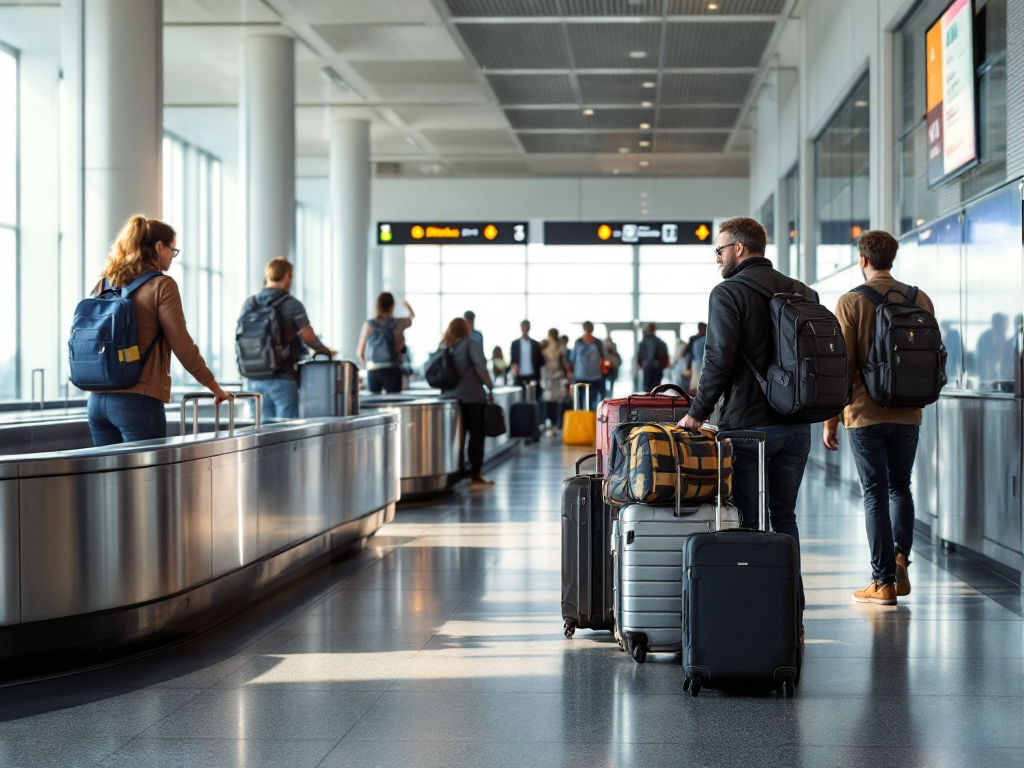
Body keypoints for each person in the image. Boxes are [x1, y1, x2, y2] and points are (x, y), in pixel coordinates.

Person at [678, 217, 815, 630]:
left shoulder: (728, 292)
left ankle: (761, 619)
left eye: (718, 250)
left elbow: (718, 359)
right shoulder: (802, 291)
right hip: (797, 426)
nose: (716, 258)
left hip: (749, 428)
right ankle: (793, 612)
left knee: (751, 523)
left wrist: (697, 413)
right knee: (785, 517)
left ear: (739, 248)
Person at [823, 231, 935, 606]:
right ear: (892, 257)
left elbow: (842, 367)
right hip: (910, 411)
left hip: (865, 412)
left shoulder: (851, 301)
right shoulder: (920, 299)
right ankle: (901, 557)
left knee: (874, 493)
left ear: (863, 260)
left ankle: (883, 580)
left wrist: (830, 421)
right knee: (901, 487)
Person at [87, 215, 232, 445]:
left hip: (97, 401)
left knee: (107, 480)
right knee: (145, 480)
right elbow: (183, 346)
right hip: (138, 401)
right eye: (172, 250)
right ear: (158, 247)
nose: (172, 258)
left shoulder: (105, 283)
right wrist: (214, 387)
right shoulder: (162, 285)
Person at [242, 257, 333, 418]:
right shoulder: (292, 304)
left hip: (251, 378)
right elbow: (308, 336)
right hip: (281, 377)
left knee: (258, 433)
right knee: (286, 434)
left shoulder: (250, 303)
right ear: (288, 276)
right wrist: (322, 349)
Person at [441, 317, 495, 488]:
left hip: (450, 399)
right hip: (472, 397)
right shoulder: (471, 343)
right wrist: (490, 387)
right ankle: (475, 475)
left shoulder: (445, 346)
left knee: (457, 437)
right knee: (476, 436)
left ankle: (456, 474)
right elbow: (481, 367)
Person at [357, 292, 415, 394]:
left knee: (373, 406)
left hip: (374, 371)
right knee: (395, 404)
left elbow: (360, 353)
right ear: (392, 305)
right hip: (392, 370)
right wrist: (405, 304)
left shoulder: (368, 325)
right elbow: (411, 316)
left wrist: (368, 367)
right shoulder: (398, 323)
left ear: (377, 305)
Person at [572, 321, 607, 411]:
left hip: (589, 376)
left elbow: (572, 358)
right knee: (587, 402)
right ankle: (586, 421)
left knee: (589, 402)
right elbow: (605, 357)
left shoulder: (580, 342)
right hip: (588, 376)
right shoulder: (596, 342)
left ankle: (587, 421)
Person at [541, 328, 572, 430]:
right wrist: (568, 375)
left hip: (549, 378)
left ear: (549, 336)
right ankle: (561, 423)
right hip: (561, 378)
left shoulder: (545, 350)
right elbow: (565, 363)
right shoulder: (562, 348)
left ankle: (553, 423)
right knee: (561, 402)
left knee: (551, 402)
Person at [509, 320, 544, 398]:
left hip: (532, 376)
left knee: (533, 398)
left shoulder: (535, 344)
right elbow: (513, 360)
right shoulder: (515, 344)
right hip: (519, 376)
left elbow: (540, 361)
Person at [636, 323, 670, 392]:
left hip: (648, 368)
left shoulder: (644, 342)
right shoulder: (660, 342)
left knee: (648, 390)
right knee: (656, 390)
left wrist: (643, 364)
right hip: (655, 368)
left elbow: (639, 357)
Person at [683, 322, 707, 395]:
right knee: (695, 381)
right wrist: (688, 366)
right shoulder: (695, 339)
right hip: (696, 363)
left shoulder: (701, 339)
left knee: (696, 381)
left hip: (698, 363)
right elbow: (688, 353)